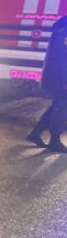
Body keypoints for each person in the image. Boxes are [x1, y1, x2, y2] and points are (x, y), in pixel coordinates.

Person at [26, 16, 67, 153]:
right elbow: (63, 57)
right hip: (62, 75)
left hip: (59, 74)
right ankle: (54, 140)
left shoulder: (62, 26)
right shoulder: (64, 29)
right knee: (62, 106)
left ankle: (36, 133)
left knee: (58, 105)